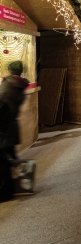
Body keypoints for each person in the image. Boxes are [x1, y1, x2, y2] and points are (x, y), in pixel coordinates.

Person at [0, 61, 29, 202]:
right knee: (9, 157)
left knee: (2, 161)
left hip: (3, 128)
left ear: (10, 70)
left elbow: (1, 104)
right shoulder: (20, 86)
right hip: (11, 126)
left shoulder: (8, 85)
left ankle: (5, 192)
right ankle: (18, 184)